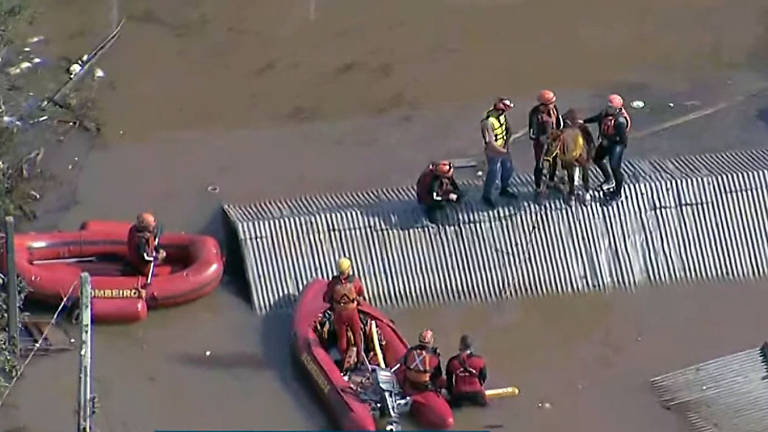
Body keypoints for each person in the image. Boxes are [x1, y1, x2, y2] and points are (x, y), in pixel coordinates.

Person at [583, 94, 631, 203]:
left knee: (615, 167)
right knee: (596, 159)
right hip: (606, 141)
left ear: (617, 109)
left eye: (611, 108)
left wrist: (609, 141)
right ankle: (609, 180)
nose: (608, 109)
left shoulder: (620, 122)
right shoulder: (605, 113)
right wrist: (584, 121)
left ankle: (618, 193)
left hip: (617, 144)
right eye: (608, 106)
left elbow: (623, 140)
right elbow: (596, 118)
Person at [324, 257, 366, 370]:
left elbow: (327, 297)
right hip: (352, 312)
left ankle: (343, 360)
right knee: (357, 334)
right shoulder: (355, 281)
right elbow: (361, 292)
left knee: (342, 338)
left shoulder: (334, 283)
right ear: (349, 269)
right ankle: (360, 359)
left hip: (339, 313)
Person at [480, 97, 518, 208]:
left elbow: (508, 130)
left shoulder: (501, 116)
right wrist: (502, 151)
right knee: (493, 174)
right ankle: (487, 196)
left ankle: (504, 189)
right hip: (493, 152)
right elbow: (490, 143)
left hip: (503, 148)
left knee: (508, 169)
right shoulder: (487, 122)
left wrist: (506, 145)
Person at [528, 89, 563, 203]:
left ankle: (551, 182)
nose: (553, 105)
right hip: (541, 143)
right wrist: (542, 138)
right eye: (551, 103)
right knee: (540, 165)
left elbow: (558, 122)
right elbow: (532, 133)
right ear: (544, 104)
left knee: (554, 161)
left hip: (553, 141)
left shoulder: (553, 109)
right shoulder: (536, 115)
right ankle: (538, 189)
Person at [446, 334, 488, 407]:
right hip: (476, 394)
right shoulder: (479, 360)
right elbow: (483, 377)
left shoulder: (452, 361)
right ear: (471, 346)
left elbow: (449, 380)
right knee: (486, 407)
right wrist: (479, 387)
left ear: (460, 345)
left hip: (459, 394)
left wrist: (451, 393)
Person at [416, 161, 463, 225]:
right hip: (427, 197)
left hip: (437, 191)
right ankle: (431, 212)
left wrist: (457, 191)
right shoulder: (434, 182)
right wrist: (447, 197)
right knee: (441, 204)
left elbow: (452, 182)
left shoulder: (442, 173)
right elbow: (434, 197)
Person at [401, 329, 443, 393]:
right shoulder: (432, 356)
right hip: (423, 385)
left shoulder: (410, 351)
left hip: (409, 382)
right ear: (431, 340)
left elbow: (404, 363)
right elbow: (438, 374)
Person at [127, 212, 166, 279]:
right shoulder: (140, 240)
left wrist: (159, 250)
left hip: (144, 259)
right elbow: (144, 257)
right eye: (152, 224)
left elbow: (152, 244)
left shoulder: (145, 234)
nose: (154, 224)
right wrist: (157, 257)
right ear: (145, 226)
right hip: (141, 266)